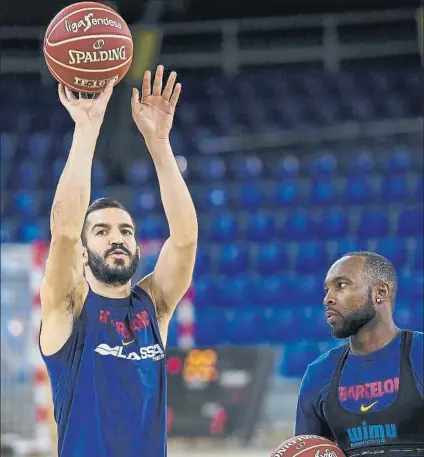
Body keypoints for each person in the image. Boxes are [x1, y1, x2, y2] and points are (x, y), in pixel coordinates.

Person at [39, 65, 198, 457]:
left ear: (138, 248)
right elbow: (62, 232)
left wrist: (159, 144)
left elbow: (186, 239)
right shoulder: (69, 308)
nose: (117, 238)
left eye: (126, 231)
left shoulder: (153, 305)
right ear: (83, 250)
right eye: (102, 231)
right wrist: (86, 129)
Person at [295, 252, 424, 457]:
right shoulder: (318, 374)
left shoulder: (420, 353)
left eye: (342, 285)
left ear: (380, 292)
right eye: (327, 289)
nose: (327, 299)